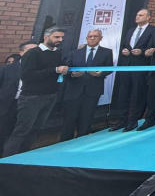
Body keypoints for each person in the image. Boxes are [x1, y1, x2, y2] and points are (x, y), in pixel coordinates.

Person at [4, 28, 68, 157]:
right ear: (46, 37)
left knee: (35, 129)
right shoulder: (32, 53)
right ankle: (8, 160)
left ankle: (24, 156)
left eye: (62, 37)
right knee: (22, 130)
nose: (60, 40)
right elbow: (26, 75)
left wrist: (62, 72)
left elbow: (54, 72)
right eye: (56, 37)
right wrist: (55, 70)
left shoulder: (57, 54)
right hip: (31, 97)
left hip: (50, 96)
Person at [60, 29, 113, 141]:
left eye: (95, 36)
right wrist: (72, 74)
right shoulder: (74, 53)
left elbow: (109, 68)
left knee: (87, 117)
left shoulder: (107, 52)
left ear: (101, 38)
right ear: (86, 38)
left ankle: (82, 140)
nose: (92, 38)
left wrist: (101, 73)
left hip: (93, 89)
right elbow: (67, 68)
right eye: (90, 36)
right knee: (69, 117)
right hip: (74, 89)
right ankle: (65, 141)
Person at [111, 9, 155, 132]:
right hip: (126, 65)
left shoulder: (154, 31)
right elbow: (124, 45)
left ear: (148, 17)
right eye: (137, 14)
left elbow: (153, 47)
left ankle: (134, 120)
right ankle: (122, 119)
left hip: (141, 66)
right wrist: (123, 50)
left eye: (140, 15)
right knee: (123, 93)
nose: (137, 17)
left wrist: (142, 52)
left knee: (138, 93)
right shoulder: (130, 30)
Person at [0, 41, 36, 155]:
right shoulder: (7, 68)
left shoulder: (40, 69)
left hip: (29, 104)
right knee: (3, 132)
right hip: (9, 104)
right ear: (21, 53)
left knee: (23, 133)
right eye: (30, 50)